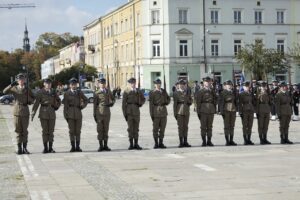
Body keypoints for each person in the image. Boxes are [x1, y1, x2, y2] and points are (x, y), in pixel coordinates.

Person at [3, 73, 35, 154]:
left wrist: (30, 101)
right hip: (17, 111)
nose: (21, 80)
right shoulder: (14, 88)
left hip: (25, 111)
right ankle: (19, 148)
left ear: (24, 80)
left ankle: (25, 148)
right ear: (17, 80)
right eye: (19, 79)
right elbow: (4, 91)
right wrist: (11, 85)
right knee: (18, 131)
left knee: (25, 131)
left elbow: (33, 97)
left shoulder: (27, 89)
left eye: (22, 79)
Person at [31, 78, 61, 153]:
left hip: (52, 113)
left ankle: (50, 148)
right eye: (47, 83)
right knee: (45, 131)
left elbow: (59, 100)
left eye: (50, 83)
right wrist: (33, 114)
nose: (48, 84)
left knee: (51, 131)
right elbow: (36, 104)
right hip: (43, 113)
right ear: (44, 84)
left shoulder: (53, 91)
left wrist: (57, 106)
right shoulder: (40, 92)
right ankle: (45, 148)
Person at [63, 78, 88, 152]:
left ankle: (78, 146)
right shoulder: (67, 93)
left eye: (75, 84)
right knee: (71, 131)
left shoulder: (79, 92)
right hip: (70, 114)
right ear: (70, 85)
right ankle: (73, 147)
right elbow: (65, 106)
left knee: (78, 131)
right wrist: (66, 116)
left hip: (78, 113)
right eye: (72, 84)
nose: (74, 86)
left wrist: (82, 106)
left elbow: (86, 100)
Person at [122, 78, 146, 150]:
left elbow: (143, 99)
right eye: (131, 83)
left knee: (136, 128)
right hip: (129, 112)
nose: (133, 84)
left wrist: (140, 104)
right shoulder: (126, 91)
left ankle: (136, 143)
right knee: (130, 129)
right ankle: (131, 144)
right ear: (129, 84)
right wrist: (125, 114)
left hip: (136, 111)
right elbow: (123, 104)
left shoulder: (138, 91)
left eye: (134, 83)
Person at [93, 78, 115, 151]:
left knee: (106, 129)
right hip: (99, 113)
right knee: (100, 129)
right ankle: (100, 146)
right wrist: (94, 114)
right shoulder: (96, 93)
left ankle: (105, 145)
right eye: (101, 83)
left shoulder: (108, 91)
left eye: (104, 83)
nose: (103, 85)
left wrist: (112, 103)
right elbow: (95, 104)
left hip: (107, 113)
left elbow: (113, 98)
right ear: (99, 84)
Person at [194, 76, 216, 146]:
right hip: (203, 110)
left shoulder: (212, 90)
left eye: (209, 81)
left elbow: (215, 100)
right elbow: (198, 102)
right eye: (206, 82)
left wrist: (214, 109)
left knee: (210, 126)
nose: (208, 83)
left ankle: (209, 141)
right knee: (203, 127)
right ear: (204, 83)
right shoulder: (201, 91)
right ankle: (204, 141)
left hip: (211, 110)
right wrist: (198, 112)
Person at [149, 79, 171, 149]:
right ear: (154, 85)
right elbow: (151, 105)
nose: (158, 85)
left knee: (162, 128)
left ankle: (161, 142)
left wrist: (166, 102)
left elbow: (168, 99)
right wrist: (152, 114)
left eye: (159, 83)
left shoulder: (163, 91)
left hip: (163, 112)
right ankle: (156, 143)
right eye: (157, 84)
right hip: (156, 112)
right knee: (155, 129)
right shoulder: (152, 92)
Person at [173, 79, 193, 147]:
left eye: (183, 84)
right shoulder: (176, 93)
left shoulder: (187, 92)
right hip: (179, 111)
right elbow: (175, 104)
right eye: (180, 84)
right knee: (180, 127)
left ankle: (185, 141)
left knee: (186, 127)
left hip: (186, 111)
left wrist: (188, 97)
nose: (182, 86)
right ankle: (181, 142)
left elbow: (190, 102)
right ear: (178, 85)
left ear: (185, 85)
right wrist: (175, 113)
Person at [219, 80, 237, 146]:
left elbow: (235, 102)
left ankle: (231, 140)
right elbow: (220, 102)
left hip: (233, 110)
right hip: (226, 110)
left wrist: (237, 110)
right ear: (225, 86)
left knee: (232, 126)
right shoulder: (223, 93)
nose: (229, 86)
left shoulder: (233, 92)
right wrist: (221, 112)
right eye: (228, 85)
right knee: (226, 126)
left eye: (230, 85)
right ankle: (227, 141)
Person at [238, 81, 255, 145]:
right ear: (243, 87)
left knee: (250, 125)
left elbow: (253, 102)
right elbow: (240, 104)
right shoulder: (241, 94)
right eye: (246, 86)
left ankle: (249, 139)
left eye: (248, 86)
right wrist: (240, 111)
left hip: (251, 110)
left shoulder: (251, 94)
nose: (247, 87)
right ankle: (245, 140)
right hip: (244, 110)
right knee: (245, 126)